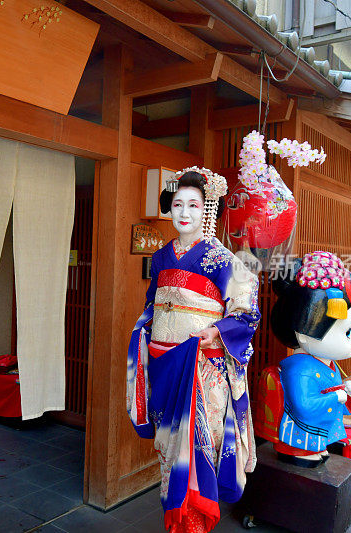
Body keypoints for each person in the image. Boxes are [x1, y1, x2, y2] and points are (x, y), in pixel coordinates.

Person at [127, 168, 261, 533]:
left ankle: (195, 525)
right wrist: (145, 328)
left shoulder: (223, 260)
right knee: (169, 452)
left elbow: (247, 313)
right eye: (176, 205)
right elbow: (152, 305)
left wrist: (216, 331)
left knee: (200, 449)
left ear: (207, 210)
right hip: (165, 364)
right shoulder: (160, 258)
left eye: (193, 205)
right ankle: (175, 521)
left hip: (203, 370)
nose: (184, 213)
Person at [267, 252, 351, 465]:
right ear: (306, 330)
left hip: (318, 431)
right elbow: (303, 405)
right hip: (298, 435)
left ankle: (318, 448)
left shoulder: (328, 362)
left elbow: (333, 392)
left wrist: (345, 392)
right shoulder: (300, 369)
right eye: (348, 332)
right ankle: (297, 451)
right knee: (304, 457)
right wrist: (336, 398)